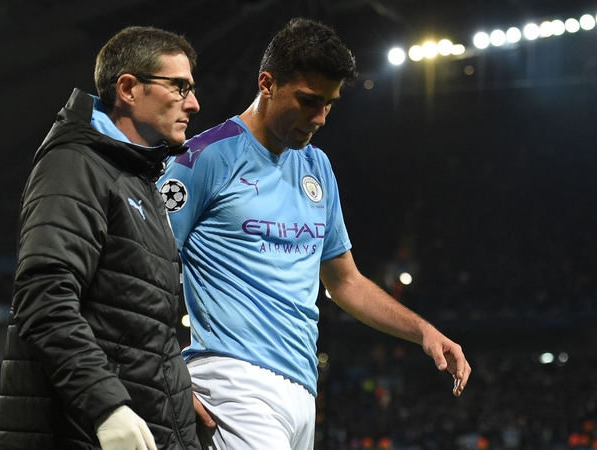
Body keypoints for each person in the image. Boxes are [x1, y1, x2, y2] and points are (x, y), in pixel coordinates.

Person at [158, 18, 471, 449]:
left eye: (329, 104)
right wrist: (165, 374)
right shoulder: (201, 159)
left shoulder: (316, 168)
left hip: (303, 390)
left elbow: (345, 282)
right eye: (308, 100)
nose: (320, 117)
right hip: (230, 381)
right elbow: (144, 270)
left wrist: (423, 331)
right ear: (267, 83)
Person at [0, 26, 202, 450]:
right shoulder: (74, 164)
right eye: (179, 87)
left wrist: (177, 393)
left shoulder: (137, 179)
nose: (194, 103)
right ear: (128, 87)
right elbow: (44, 297)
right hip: (84, 433)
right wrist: (107, 407)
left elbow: (137, 330)